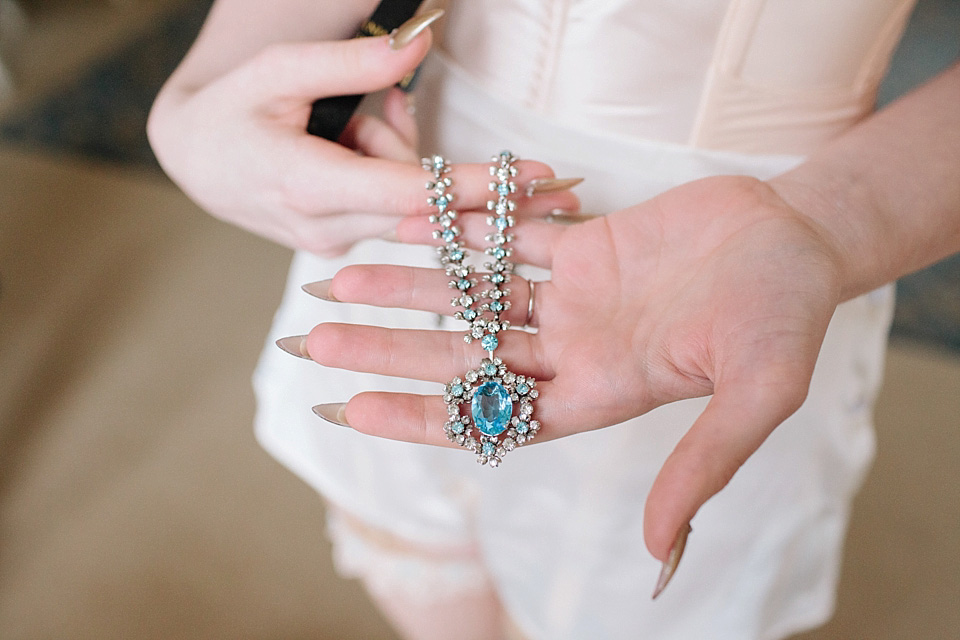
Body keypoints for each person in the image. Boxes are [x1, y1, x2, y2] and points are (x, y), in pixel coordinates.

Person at [148, 1, 960, 638]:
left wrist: (827, 224)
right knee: (416, 553)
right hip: (423, 177)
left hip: (730, 247)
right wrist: (199, 96)